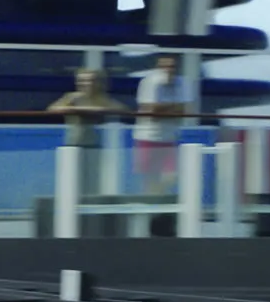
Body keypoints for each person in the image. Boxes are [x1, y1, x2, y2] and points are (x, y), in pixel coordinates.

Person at [47, 68, 130, 196]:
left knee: (93, 179)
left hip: (95, 145)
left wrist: (98, 110)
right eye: (83, 80)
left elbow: (123, 110)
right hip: (73, 144)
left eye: (91, 80)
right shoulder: (72, 97)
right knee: (73, 180)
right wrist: (77, 109)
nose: (87, 83)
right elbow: (52, 109)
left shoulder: (101, 99)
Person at [132, 54, 189, 196]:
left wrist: (161, 108)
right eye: (165, 67)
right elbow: (151, 112)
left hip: (169, 137)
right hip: (148, 136)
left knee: (172, 175)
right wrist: (172, 108)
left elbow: (183, 110)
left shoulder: (182, 83)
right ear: (158, 68)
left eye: (172, 67)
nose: (168, 70)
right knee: (149, 177)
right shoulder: (149, 82)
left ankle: (157, 200)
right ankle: (151, 207)